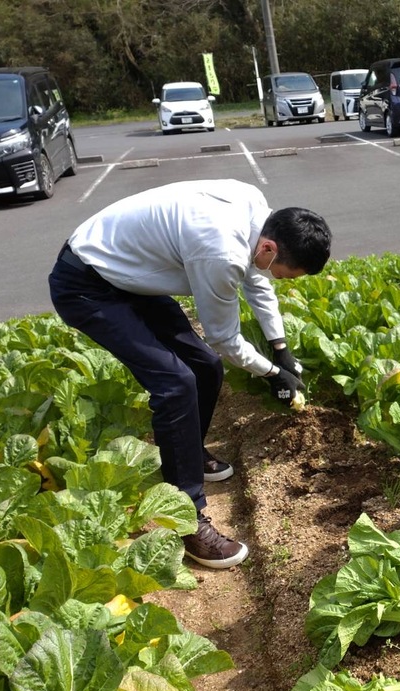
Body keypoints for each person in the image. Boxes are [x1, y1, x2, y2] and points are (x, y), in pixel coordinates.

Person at [48, 179, 332, 570]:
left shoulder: (255, 209)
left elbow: (259, 283)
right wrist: (272, 374)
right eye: (287, 274)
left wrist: (281, 348)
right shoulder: (221, 251)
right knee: (175, 383)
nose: (281, 280)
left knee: (204, 367)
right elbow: (224, 338)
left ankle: (187, 454)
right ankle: (186, 518)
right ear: (269, 247)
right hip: (87, 284)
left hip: (128, 273)